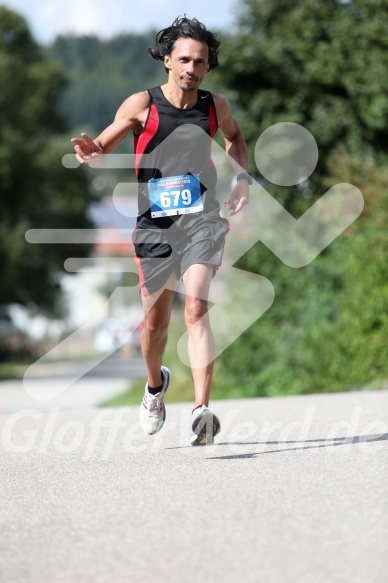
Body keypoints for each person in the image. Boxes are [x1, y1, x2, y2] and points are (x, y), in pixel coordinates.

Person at [71, 16, 251, 446]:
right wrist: (92, 153)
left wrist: (242, 178)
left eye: (201, 61)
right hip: (154, 226)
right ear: (167, 61)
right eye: (184, 58)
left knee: (196, 311)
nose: (192, 67)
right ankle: (155, 387)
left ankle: (202, 409)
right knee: (154, 325)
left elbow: (236, 139)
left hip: (202, 221)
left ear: (208, 67)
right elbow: (102, 147)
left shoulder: (215, 106)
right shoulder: (142, 105)